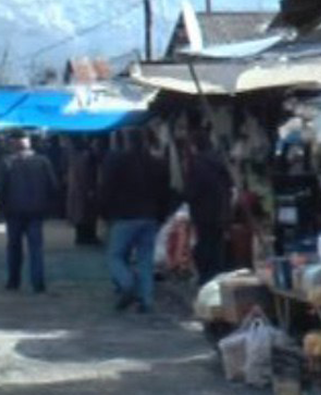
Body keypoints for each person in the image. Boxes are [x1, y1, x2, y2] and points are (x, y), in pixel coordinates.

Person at [98, 129, 174, 314]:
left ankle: (127, 283)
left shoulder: (117, 162)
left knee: (115, 255)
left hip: (124, 216)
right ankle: (146, 300)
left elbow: (107, 188)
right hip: (150, 216)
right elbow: (165, 192)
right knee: (145, 260)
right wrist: (161, 215)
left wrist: (105, 211)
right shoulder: (157, 163)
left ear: (126, 141)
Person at [0, 132, 59, 294]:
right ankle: (38, 282)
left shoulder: (6, 162)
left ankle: (13, 280)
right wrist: (48, 205)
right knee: (36, 248)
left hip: (13, 211)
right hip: (36, 210)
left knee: (14, 247)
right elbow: (53, 185)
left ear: (13, 143)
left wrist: (0, 208)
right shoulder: (42, 161)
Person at [183, 130, 235, 283]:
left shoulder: (197, 164)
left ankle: (206, 278)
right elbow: (229, 184)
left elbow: (193, 191)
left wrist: (186, 197)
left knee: (204, 244)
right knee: (217, 245)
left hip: (203, 212)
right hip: (221, 211)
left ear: (195, 145)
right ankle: (217, 276)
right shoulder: (219, 161)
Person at [66, 140, 101, 247]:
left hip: (77, 189)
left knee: (80, 213)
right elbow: (86, 174)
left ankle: (81, 236)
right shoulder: (87, 157)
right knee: (88, 213)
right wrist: (90, 189)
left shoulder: (74, 156)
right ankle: (88, 236)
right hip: (85, 189)